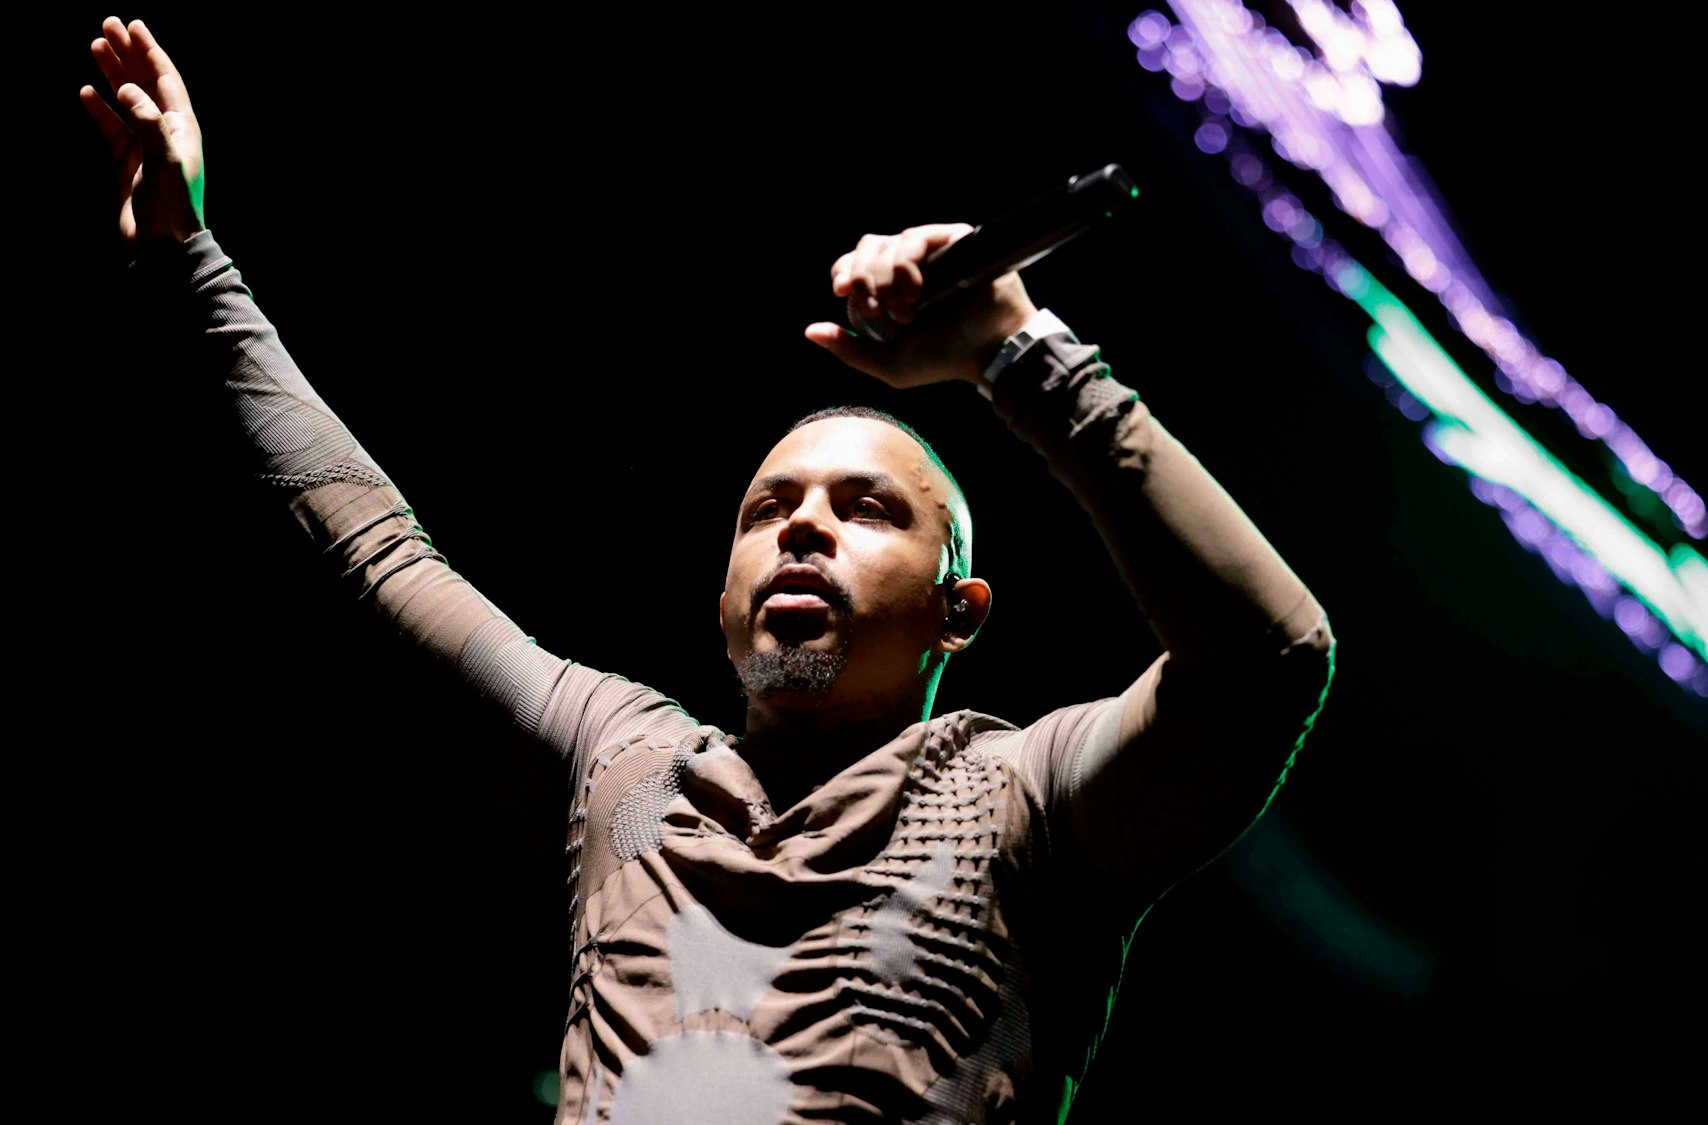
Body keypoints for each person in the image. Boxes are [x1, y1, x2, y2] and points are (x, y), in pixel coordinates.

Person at [81, 15, 1334, 1123]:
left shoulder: (1029, 801)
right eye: (768, 509)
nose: (800, 527)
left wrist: (1015, 353)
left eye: (865, 511)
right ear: (721, 605)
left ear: (961, 611)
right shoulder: (622, 760)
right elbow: (367, 555)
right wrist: (195, 266)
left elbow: (1268, 661)